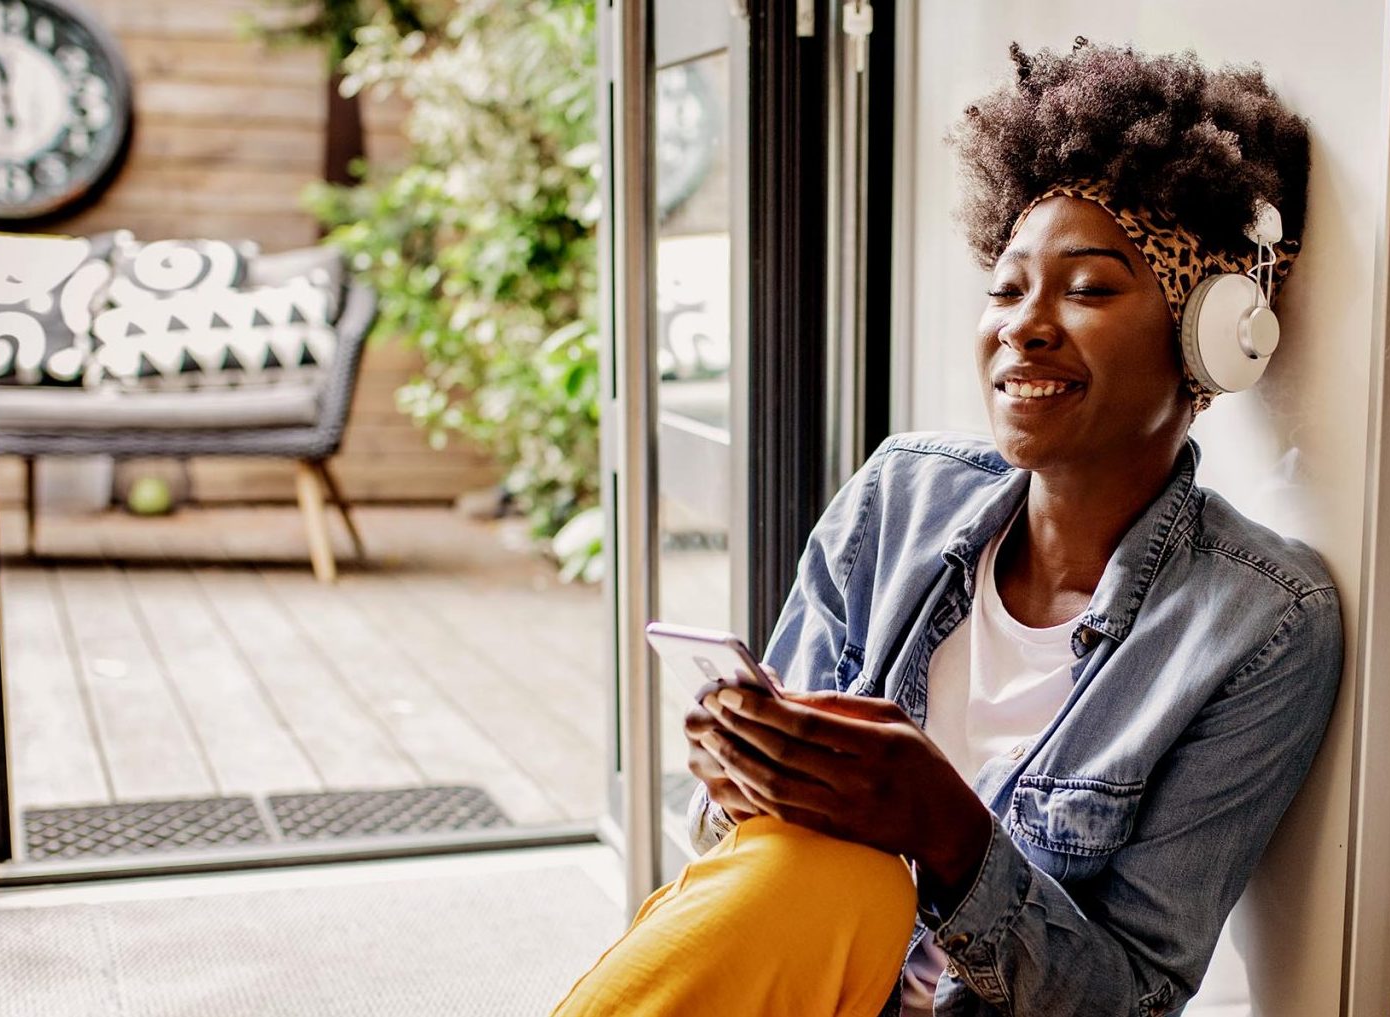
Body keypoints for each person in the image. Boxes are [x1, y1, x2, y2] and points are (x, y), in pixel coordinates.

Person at [553, 38, 1338, 1017]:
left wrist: (949, 839)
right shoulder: (899, 496)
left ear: (1211, 339)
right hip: (819, 980)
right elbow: (751, 878)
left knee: (851, 877)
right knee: (825, 875)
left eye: (1087, 289)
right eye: (1005, 289)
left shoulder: (1259, 623)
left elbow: (1130, 997)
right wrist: (737, 785)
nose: (1022, 325)